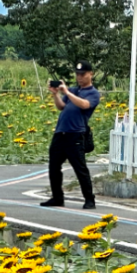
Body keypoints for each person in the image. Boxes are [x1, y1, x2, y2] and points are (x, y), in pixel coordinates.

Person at [41, 60, 100, 210]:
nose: (79, 77)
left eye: (83, 74)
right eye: (78, 74)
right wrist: (56, 95)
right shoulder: (74, 90)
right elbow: (62, 106)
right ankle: (57, 197)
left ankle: (89, 199)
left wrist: (67, 92)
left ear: (90, 74)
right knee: (53, 166)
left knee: (80, 168)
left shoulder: (93, 93)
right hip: (61, 132)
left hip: (76, 134)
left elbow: (85, 105)